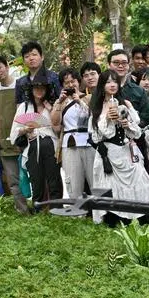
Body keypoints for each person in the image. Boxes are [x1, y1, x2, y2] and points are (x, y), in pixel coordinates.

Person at [88, 71, 149, 224]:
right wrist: (106, 119)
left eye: (115, 81)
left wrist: (128, 125)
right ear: (102, 85)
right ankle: (115, 216)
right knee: (111, 184)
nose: (112, 85)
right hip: (109, 153)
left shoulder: (125, 104)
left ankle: (142, 214)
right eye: (108, 82)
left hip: (126, 150)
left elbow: (137, 132)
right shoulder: (97, 107)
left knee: (138, 178)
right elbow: (96, 137)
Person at [11, 69, 61, 209]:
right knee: (36, 179)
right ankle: (38, 209)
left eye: (42, 87)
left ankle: (57, 209)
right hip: (32, 145)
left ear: (46, 90)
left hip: (50, 144)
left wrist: (51, 109)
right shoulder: (24, 107)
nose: (39, 90)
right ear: (31, 89)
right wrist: (25, 129)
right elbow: (15, 129)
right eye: (36, 87)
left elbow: (58, 127)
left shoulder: (52, 106)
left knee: (54, 179)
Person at [0, 55, 29, 213]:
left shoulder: (22, 85)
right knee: (13, 179)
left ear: (7, 66)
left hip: (25, 137)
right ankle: (23, 210)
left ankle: (42, 209)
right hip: (5, 140)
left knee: (34, 176)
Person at [53, 68, 94, 201]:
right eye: (67, 83)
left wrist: (79, 100)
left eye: (73, 81)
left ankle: (99, 215)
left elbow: (94, 116)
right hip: (69, 144)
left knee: (95, 179)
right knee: (73, 181)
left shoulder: (89, 98)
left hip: (90, 143)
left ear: (79, 81)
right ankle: (77, 214)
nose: (71, 85)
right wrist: (59, 102)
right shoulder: (60, 102)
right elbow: (55, 124)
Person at [15, 41, 61, 107]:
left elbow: (61, 100)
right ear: (24, 61)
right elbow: (19, 105)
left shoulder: (54, 77)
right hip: (28, 116)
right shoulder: (20, 82)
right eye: (27, 56)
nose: (31, 58)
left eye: (34, 55)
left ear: (42, 57)